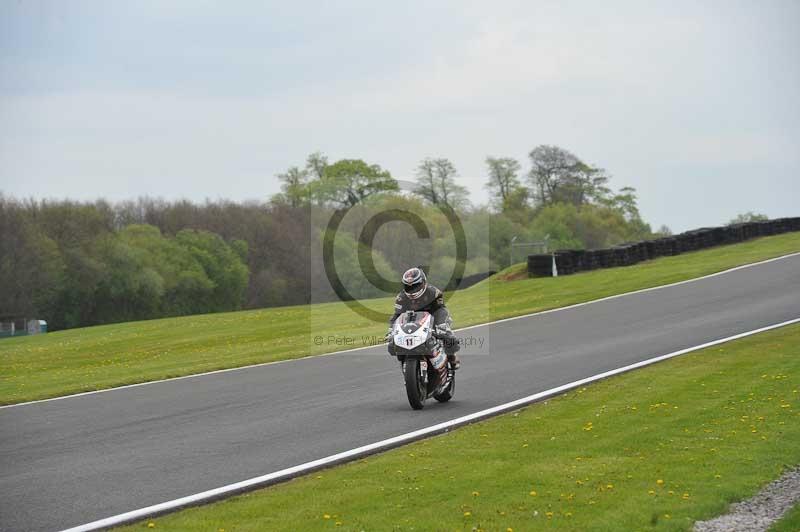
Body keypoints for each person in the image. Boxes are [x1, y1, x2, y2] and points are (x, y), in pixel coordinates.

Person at [387, 267, 461, 369]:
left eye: (415, 286)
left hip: (433, 314)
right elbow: (397, 315)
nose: (412, 290)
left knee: (447, 335)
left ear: (423, 283)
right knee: (392, 344)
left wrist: (441, 325)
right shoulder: (401, 298)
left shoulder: (433, 292)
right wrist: (391, 330)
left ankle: (452, 357)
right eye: (409, 287)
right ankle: (405, 362)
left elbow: (441, 310)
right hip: (413, 318)